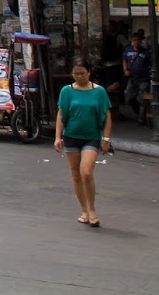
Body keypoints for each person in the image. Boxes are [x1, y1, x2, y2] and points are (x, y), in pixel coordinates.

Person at [54, 60, 114, 228]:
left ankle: (92, 209)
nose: (80, 76)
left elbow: (107, 116)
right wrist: (58, 137)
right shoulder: (67, 91)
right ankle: (84, 210)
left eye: (82, 73)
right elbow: (61, 114)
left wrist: (106, 139)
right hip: (71, 137)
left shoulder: (99, 91)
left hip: (91, 137)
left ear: (89, 73)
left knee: (86, 172)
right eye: (76, 74)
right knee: (75, 174)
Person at [123, 30, 152, 125]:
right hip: (132, 78)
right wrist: (125, 70)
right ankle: (138, 113)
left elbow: (150, 64)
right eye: (134, 40)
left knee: (142, 99)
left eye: (137, 40)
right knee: (129, 97)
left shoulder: (146, 52)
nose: (136, 42)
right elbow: (125, 60)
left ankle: (141, 118)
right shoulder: (127, 51)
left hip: (143, 78)